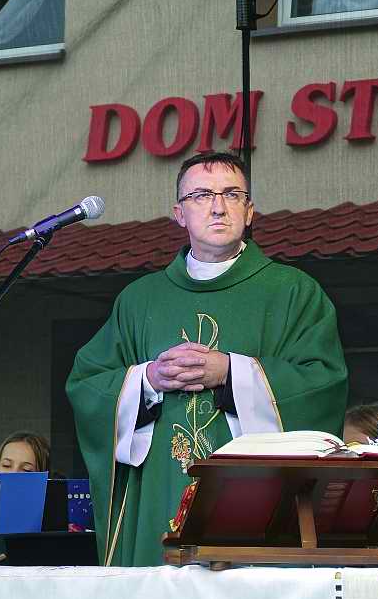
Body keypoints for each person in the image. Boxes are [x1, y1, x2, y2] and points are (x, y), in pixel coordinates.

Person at [67, 150, 348, 571]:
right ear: (179, 214)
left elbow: (323, 384)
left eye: (232, 194)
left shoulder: (293, 291)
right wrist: (148, 379)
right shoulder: (140, 299)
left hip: (255, 499)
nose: (218, 207)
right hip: (160, 488)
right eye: (201, 195)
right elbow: (87, 384)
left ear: (249, 211)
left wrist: (233, 372)